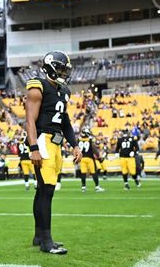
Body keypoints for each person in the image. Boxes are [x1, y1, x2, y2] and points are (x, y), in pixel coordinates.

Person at [25, 50, 81, 255]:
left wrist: (74, 144)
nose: (63, 73)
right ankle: (46, 241)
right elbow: (30, 119)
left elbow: (64, 121)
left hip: (55, 143)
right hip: (42, 140)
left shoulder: (64, 90)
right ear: (49, 67)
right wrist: (33, 148)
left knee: (43, 190)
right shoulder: (37, 85)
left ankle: (39, 235)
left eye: (65, 69)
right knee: (47, 191)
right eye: (60, 68)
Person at [77, 128, 104, 192]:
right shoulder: (90, 140)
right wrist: (98, 156)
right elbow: (94, 149)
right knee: (94, 172)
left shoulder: (78, 140)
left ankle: (83, 187)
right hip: (89, 158)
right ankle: (97, 187)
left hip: (82, 159)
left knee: (83, 173)